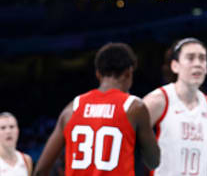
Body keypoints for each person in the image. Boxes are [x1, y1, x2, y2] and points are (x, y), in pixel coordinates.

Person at [33, 42, 160, 176]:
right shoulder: (134, 107)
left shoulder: (72, 108)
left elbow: (40, 171)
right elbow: (153, 161)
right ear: (129, 73)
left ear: (98, 74)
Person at [143, 38, 207, 176]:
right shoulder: (158, 100)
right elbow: (128, 143)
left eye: (202, 59)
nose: (198, 64)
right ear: (175, 66)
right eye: (190, 58)